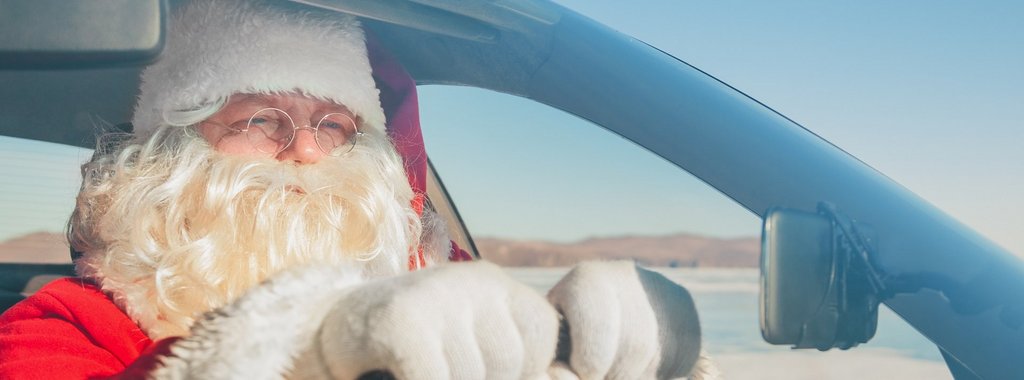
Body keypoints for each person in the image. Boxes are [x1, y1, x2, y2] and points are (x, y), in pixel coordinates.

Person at [0, 1, 716, 379]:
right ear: (176, 152)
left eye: (335, 125)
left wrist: (602, 350)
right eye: (260, 120)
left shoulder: (436, 283)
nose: (306, 152)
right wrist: (309, 355)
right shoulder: (74, 323)